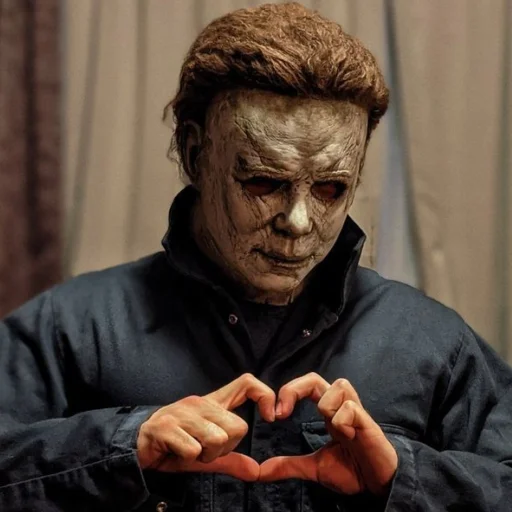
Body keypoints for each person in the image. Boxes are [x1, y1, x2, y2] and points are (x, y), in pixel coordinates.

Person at [1, 2, 511, 511]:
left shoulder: (434, 344)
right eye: (264, 182)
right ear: (195, 154)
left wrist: (403, 478)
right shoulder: (70, 330)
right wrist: (122, 446)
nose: (299, 222)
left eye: (330, 189)